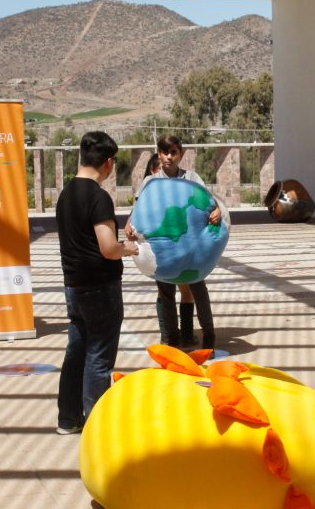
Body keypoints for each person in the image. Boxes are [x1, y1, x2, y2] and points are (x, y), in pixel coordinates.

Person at [55, 131, 139, 435]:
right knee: (99, 358)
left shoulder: (65, 195)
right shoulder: (98, 197)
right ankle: (97, 427)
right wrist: (127, 249)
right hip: (100, 287)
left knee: (76, 353)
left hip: (74, 286)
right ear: (108, 163)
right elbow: (108, 247)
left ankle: (68, 419)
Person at [127, 135, 221, 356]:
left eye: (173, 153)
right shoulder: (150, 182)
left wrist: (217, 210)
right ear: (159, 154)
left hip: (191, 248)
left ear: (181, 154)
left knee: (199, 290)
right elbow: (139, 207)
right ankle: (172, 339)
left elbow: (209, 201)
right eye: (164, 152)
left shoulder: (192, 178)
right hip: (163, 250)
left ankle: (208, 336)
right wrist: (129, 223)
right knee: (166, 292)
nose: (169, 157)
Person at [141, 153, 197, 347]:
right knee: (164, 291)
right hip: (161, 248)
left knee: (185, 289)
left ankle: (186, 334)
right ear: (153, 171)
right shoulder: (149, 192)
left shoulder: (178, 188)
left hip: (181, 244)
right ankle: (169, 335)